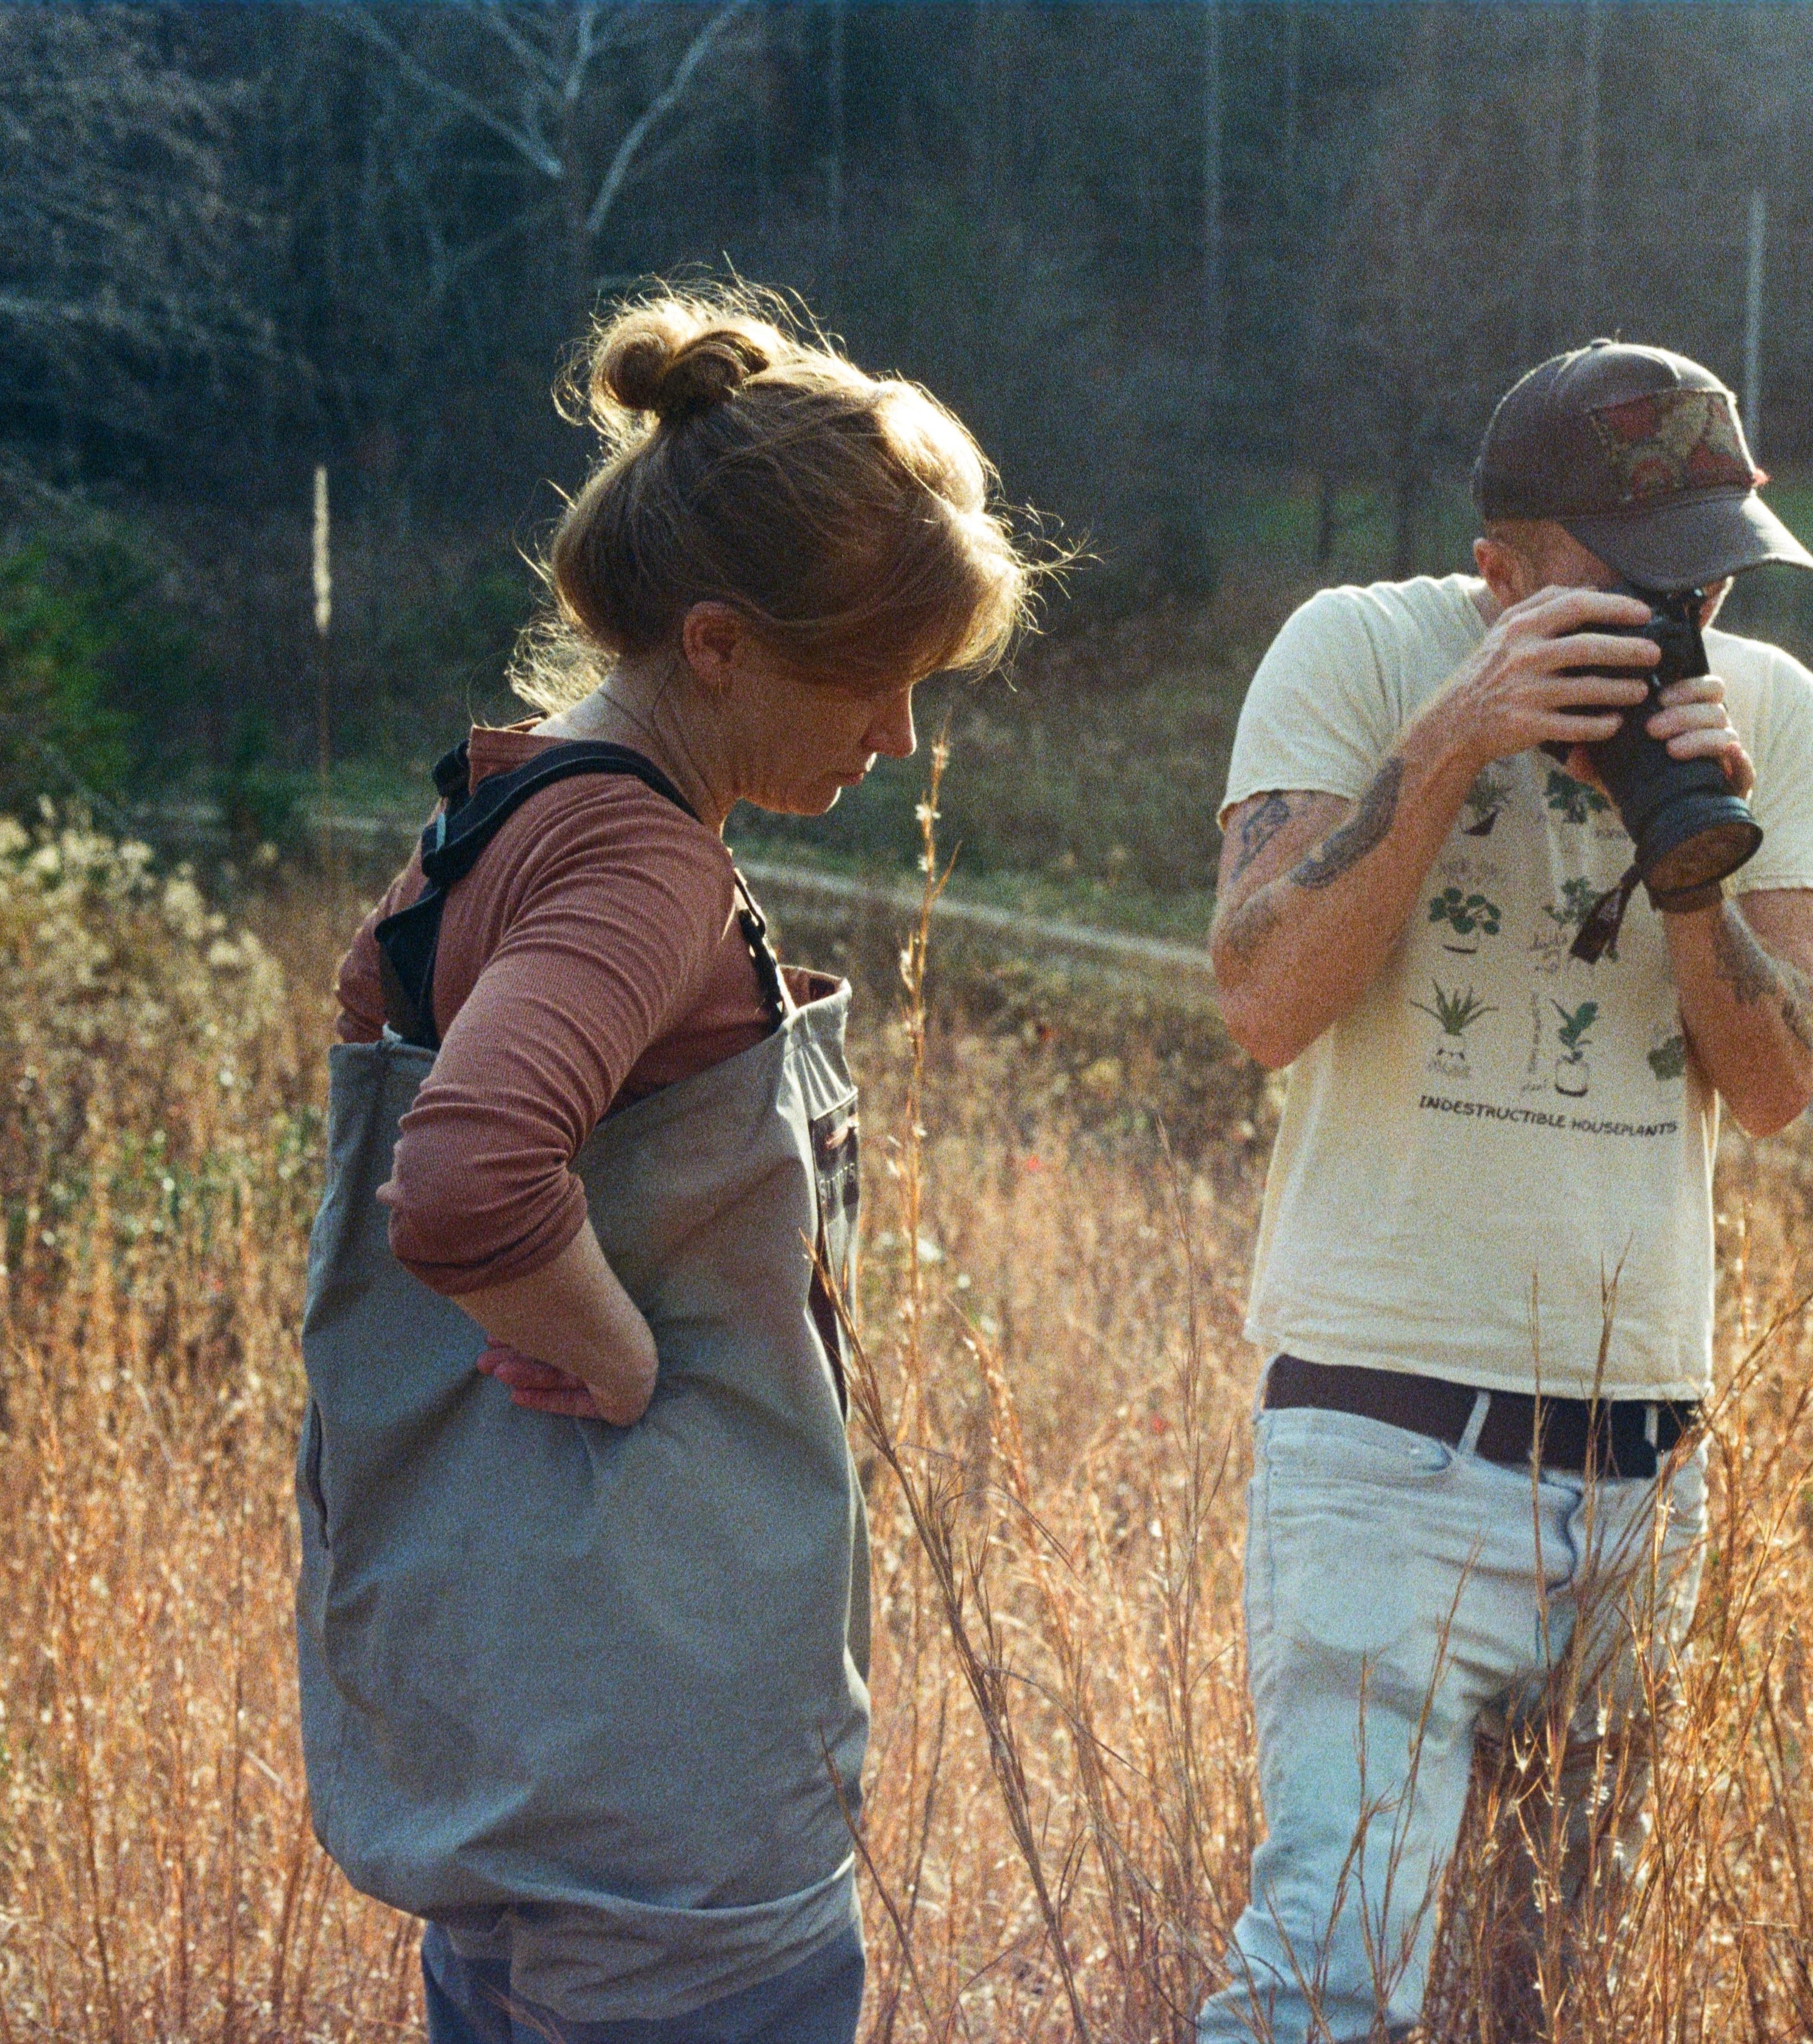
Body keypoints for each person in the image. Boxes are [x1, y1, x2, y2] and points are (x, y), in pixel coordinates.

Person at [294, 287, 1042, 2044]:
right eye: (874, 684)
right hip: (668, 1803)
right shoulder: (643, 867)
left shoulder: (503, 819)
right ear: (716, 645)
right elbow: (469, 1176)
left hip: (516, 1744)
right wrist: (622, 1358)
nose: (897, 740)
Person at [1196, 340, 1813, 2042]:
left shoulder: (1762, 709)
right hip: (1386, 1434)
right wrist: (1458, 736)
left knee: (1554, 1996)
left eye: (1707, 571)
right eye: (1629, 582)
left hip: (1640, 1463)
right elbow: (1257, 995)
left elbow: (1774, 1090)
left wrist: (1696, 856)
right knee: (1327, 1983)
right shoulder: (1360, 650)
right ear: (1503, 568)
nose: (1673, 612)